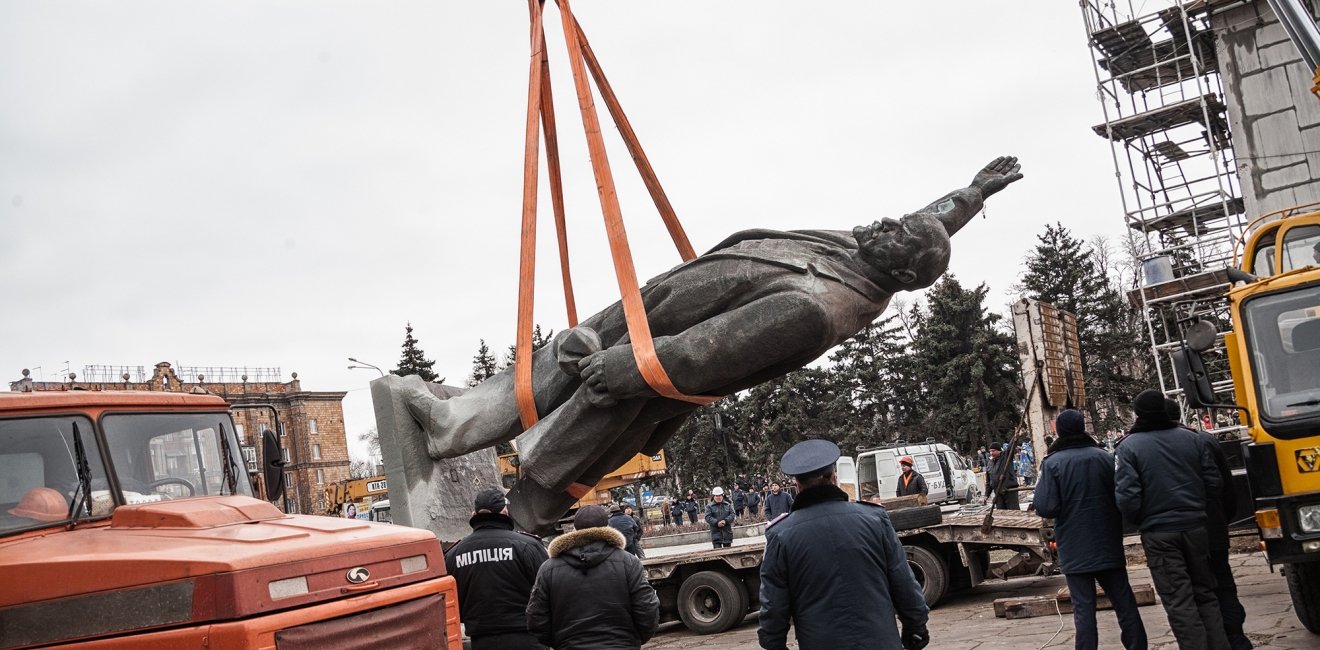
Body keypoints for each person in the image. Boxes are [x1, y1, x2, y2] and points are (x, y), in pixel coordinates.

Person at [397, 158, 1025, 533]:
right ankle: (459, 422)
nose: (882, 222)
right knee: (566, 352)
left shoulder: (816, 309)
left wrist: (630, 365)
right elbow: (924, 224)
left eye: (895, 232)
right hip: (649, 316)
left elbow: (708, 352)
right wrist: (969, 197)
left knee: (572, 452)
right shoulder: (863, 252)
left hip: (647, 362)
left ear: (901, 271)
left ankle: (512, 530)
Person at [758, 439, 929, 650]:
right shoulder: (874, 519)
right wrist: (916, 626)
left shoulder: (781, 535)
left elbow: (774, 606)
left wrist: (774, 644)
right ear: (834, 477)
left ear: (797, 485)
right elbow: (902, 580)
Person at [1115, 390, 1229, 650]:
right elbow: (1214, 483)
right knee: (1206, 592)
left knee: (1179, 599)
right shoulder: (1193, 439)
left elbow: (1127, 496)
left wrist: (1140, 519)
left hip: (1159, 532)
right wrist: (1197, 507)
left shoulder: (1129, 446)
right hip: (1196, 526)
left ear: (1138, 413)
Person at [1034, 410, 1147, 650]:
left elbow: (1046, 506)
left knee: (1083, 609)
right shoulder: (1105, 457)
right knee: (1124, 602)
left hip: (1074, 547)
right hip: (1108, 541)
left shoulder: (1052, 463)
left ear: (1060, 431)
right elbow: (1123, 495)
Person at [1167, 399, 1252, 650]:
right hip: (1212, 524)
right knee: (1223, 583)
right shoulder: (1203, 440)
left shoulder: (1149, 445)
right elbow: (1225, 486)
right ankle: (1236, 638)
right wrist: (1223, 519)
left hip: (1180, 528)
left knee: (1195, 589)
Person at [526, 505, 659, 649]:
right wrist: (634, 640)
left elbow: (536, 618)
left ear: (575, 529)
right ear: (607, 527)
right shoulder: (629, 562)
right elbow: (647, 609)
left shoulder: (548, 569)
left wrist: (560, 643)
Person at [443, 487, 549, 650]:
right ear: (504, 512)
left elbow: (450, 602)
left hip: (481, 641)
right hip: (526, 638)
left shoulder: (453, 555)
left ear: (474, 515)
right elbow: (548, 591)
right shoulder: (527, 546)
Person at [985, 442, 1019, 510]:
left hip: (1009, 491)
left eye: (993, 451)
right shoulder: (990, 463)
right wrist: (986, 495)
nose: (991, 453)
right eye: (990, 451)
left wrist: (1015, 436)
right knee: (1001, 513)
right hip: (998, 493)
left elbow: (1011, 447)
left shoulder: (1006, 457)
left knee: (1013, 512)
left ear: (999, 450)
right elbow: (989, 481)